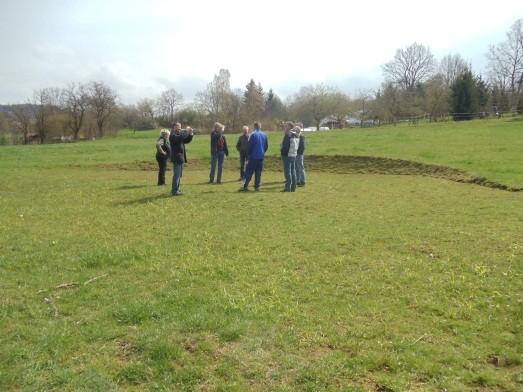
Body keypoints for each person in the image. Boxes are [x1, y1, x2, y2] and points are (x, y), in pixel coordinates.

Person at [240, 121, 268, 192]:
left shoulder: (252, 135)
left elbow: (249, 146)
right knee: (258, 172)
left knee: (249, 172)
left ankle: (245, 186)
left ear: (254, 127)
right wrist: (262, 152)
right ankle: (257, 187)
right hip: (261, 157)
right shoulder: (264, 135)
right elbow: (266, 146)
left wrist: (248, 155)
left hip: (253, 157)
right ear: (260, 126)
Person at [169, 122, 194, 196]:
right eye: (177, 127)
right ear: (173, 128)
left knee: (179, 175)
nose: (179, 128)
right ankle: (174, 190)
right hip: (176, 157)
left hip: (181, 157)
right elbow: (179, 138)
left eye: (180, 126)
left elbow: (186, 140)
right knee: (176, 175)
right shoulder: (172, 135)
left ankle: (177, 189)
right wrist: (185, 131)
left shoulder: (179, 135)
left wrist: (190, 134)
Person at [280, 121, 300, 192]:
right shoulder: (296, 134)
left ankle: (287, 187)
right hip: (293, 154)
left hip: (287, 155)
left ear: (289, 127)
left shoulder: (288, 134)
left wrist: (282, 151)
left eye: (286, 126)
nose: (284, 127)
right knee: (293, 171)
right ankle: (293, 187)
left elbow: (285, 146)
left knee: (287, 172)